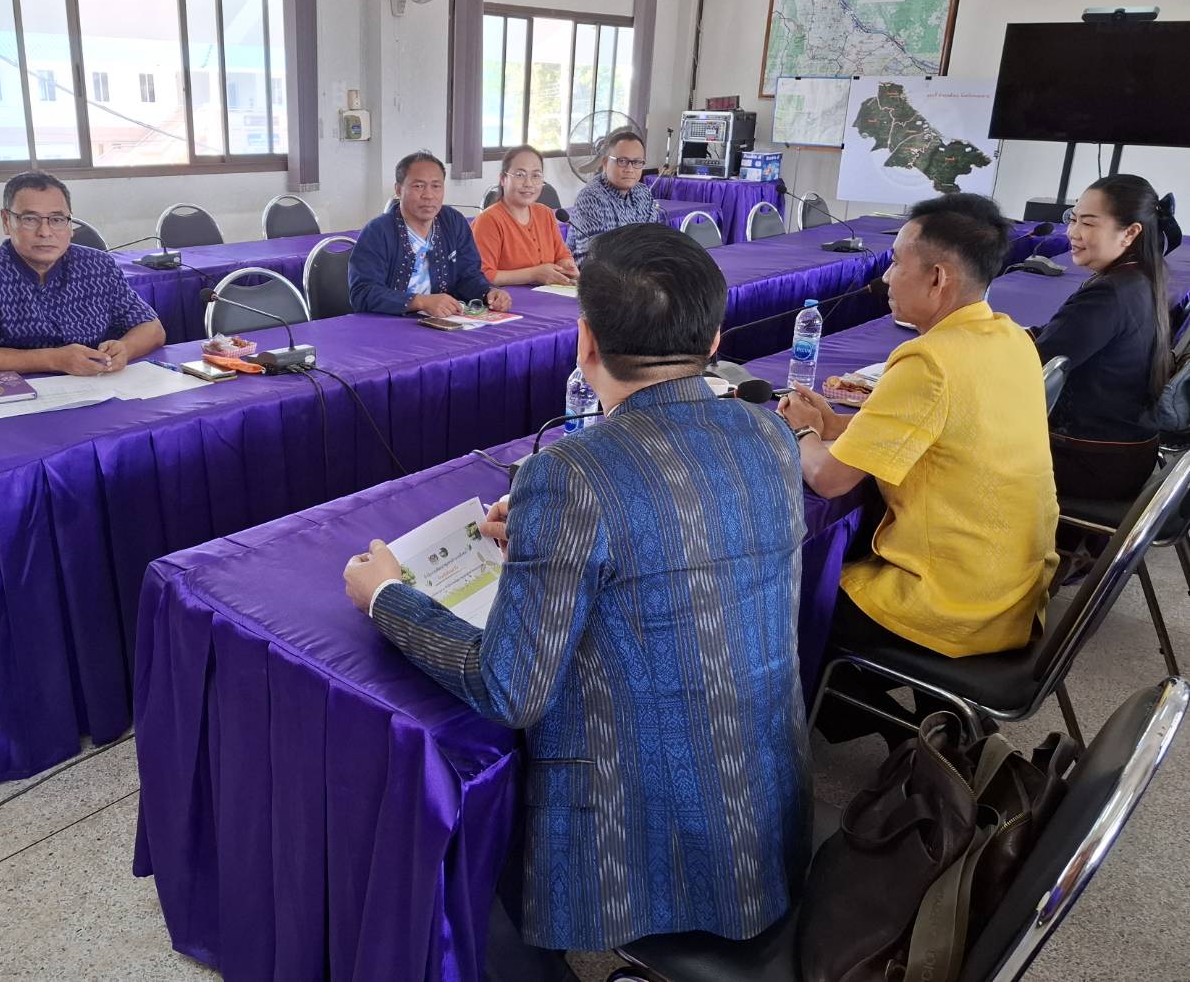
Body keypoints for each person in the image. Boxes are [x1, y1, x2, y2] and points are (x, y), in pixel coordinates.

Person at [344, 224, 811, 973]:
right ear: (715, 335)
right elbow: (676, 536)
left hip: (654, 839)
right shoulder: (768, 432)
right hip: (765, 812)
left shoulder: (571, 474)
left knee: (458, 841)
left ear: (583, 342)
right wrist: (539, 533)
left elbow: (508, 689)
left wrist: (385, 598)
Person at [779, 193, 1059, 660]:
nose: (886, 277)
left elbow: (829, 480)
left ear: (937, 278)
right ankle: (935, 729)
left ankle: (896, 728)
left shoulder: (928, 360)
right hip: (1015, 586)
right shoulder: (1011, 336)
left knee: (791, 604)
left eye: (895, 263)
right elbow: (942, 428)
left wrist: (803, 431)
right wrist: (835, 422)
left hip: (953, 601)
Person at [1033, 175, 1182, 500]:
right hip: (1127, 453)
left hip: (1090, 462)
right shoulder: (1142, 279)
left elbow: (1033, 367)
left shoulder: (1109, 294)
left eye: (1088, 223)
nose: (1072, 233)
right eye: (1072, 219)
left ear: (1130, 233)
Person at [0, 171, 164, 376]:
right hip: (19, 394)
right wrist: (55, 359)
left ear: (70, 224)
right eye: (30, 219)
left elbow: (152, 328)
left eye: (57, 219)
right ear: (7, 221)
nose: (45, 232)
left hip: (96, 385)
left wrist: (125, 348)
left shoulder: (99, 266)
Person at [349, 150, 513, 316]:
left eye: (436, 186)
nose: (428, 195)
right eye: (418, 186)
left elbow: (468, 276)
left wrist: (488, 292)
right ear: (399, 190)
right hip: (390, 325)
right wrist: (419, 301)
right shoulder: (378, 231)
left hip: (443, 322)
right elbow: (363, 292)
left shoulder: (453, 222)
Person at [472, 145, 579, 287]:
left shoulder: (545, 213)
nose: (528, 184)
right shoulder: (488, 220)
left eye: (536, 175)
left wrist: (566, 265)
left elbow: (561, 255)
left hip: (548, 295)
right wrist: (534, 274)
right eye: (520, 175)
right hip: (506, 301)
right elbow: (483, 275)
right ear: (503, 179)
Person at [564, 128, 663, 265]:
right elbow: (591, 259)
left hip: (635, 271)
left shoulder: (644, 193)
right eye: (622, 161)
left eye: (637, 162)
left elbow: (654, 242)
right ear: (605, 163)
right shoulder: (591, 197)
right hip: (596, 278)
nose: (629, 169)